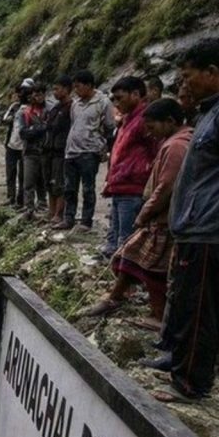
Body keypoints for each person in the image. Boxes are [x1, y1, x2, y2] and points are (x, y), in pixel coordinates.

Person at [153, 37, 219, 403]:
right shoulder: (212, 111)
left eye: (188, 76)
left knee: (203, 308)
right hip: (197, 229)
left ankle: (191, 385)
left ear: (212, 72)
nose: (184, 84)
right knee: (187, 302)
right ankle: (178, 363)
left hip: (213, 232)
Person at [77, 99, 191, 328]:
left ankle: (157, 315)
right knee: (130, 255)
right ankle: (116, 297)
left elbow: (166, 186)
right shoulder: (176, 141)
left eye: (152, 127)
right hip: (161, 216)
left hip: (163, 218)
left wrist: (145, 213)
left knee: (152, 268)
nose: (149, 133)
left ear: (169, 121)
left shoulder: (177, 146)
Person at [101, 77, 157, 260]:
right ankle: (113, 266)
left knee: (126, 239)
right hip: (119, 184)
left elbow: (156, 152)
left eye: (120, 98)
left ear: (135, 95)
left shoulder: (144, 120)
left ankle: (126, 280)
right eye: (114, 100)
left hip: (133, 187)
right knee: (115, 233)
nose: (116, 103)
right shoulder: (127, 120)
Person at [56, 70, 115, 231]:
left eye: (79, 86)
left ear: (89, 85)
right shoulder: (76, 104)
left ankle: (86, 221)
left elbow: (110, 127)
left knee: (88, 188)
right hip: (72, 151)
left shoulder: (102, 102)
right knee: (69, 187)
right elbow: (75, 125)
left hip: (90, 152)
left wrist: (104, 148)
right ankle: (69, 218)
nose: (76, 90)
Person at [45, 76, 73, 225]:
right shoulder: (56, 108)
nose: (55, 92)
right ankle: (51, 211)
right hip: (51, 148)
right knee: (50, 181)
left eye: (57, 89)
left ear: (66, 89)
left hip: (62, 150)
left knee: (59, 183)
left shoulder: (71, 107)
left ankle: (59, 213)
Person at [19, 83, 49, 218]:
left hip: (46, 150)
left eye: (41, 94)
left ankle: (42, 204)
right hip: (30, 151)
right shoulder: (25, 113)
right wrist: (39, 128)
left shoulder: (49, 110)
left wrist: (34, 129)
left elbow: (50, 128)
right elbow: (23, 133)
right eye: (36, 94)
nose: (39, 97)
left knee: (43, 180)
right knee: (29, 180)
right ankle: (29, 207)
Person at [3, 84, 31, 208]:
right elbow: (5, 119)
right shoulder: (14, 107)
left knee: (22, 175)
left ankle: (20, 200)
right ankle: (11, 197)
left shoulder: (32, 108)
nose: (20, 96)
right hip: (12, 144)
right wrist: (15, 115)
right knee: (10, 172)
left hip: (24, 145)